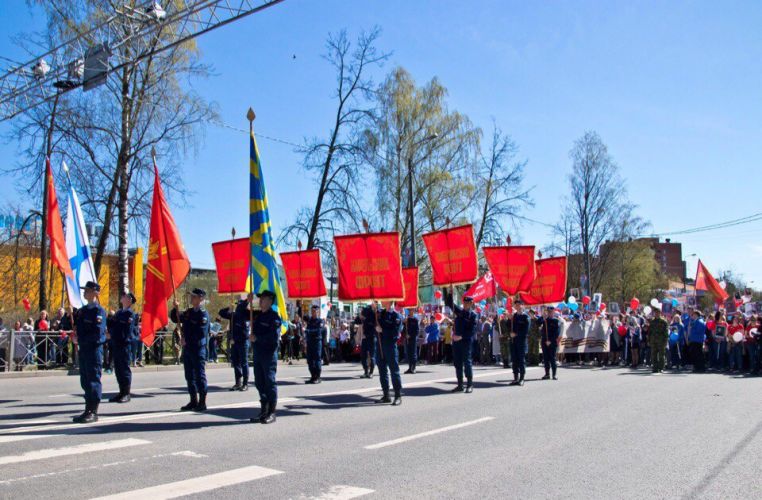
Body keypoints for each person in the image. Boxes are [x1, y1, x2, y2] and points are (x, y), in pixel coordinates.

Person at [72, 281, 107, 423]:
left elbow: (98, 334)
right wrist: (75, 336)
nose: (84, 292)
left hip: (93, 349)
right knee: (85, 380)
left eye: (87, 290)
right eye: (84, 290)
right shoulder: (82, 311)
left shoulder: (99, 311)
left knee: (93, 380)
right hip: (84, 349)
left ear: (95, 292)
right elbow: (79, 328)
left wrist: (81, 338)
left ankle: (93, 411)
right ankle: (87, 409)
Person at [171, 288, 210, 412]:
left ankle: (202, 402)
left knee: (199, 376)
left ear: (201, 299)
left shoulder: (203, 314)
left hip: (198, 349)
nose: (191, 298)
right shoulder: (189, 312)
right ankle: (193, 400)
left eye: (194, 296)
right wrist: (175, 308)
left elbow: (201, 333)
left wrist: (186, 339)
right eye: (191, 296)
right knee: (189, 376)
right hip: (188, 349)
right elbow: (175, 318)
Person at [249, 290, 282, 424]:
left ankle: (272, 412)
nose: (260, 301)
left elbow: (273, 338)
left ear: (270, 301)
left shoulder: (274, 318)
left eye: (263, 298)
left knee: (269, 382)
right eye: (260, 298)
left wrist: (257, 338)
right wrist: (247, 301)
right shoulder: (257, 316)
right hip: (258, 354)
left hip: (268, 354)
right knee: (259, 382)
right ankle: (264, 410)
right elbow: (239, 314)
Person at [107, 292, 137, 403]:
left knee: (124, 370)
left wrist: (113, 334)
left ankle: (126, 393)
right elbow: (113, 325)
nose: (122, 297)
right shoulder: (119, 313)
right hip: (116, 344)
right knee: (118, 370)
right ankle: (121, 392)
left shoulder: (130, 315)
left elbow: (126, 332)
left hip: (124, 345)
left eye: (124, 296)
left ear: (129, 300)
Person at [446, 293, 478, 393]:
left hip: (466, 342)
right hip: (456, 342)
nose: (465, 304)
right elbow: (449, 303)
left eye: (467, 303)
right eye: (464, 303)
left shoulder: (473, 315)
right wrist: (447, 290)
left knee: (467, 363)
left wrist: (461, 336)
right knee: (457, 363)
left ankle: (469, 384)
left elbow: (472, 331)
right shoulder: (459, 312)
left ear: (471, 304)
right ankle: (460, 385)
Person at [219, 296, 252, 391]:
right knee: (236, 362)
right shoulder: (233, 315)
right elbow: (221, 312)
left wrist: (247, 301)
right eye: (237, 305)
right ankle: (238, 382)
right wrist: (229, 307)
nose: (238, 306)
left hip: (243, 341)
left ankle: (245, 383)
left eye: (239, 305)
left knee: (244, 363)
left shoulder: (247, 314)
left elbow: (246, 309)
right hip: (234, 341)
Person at [374, 301, 403, 405]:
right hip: (380, 346)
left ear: (390, 302)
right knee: (382, 371)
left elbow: (396, 332)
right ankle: (386, 395)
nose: (382, 301)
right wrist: (373, 310)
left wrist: (382, 330)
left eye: (384, 299)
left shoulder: (396, 315)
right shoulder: (380, 313)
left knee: (394, 371)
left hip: (390, 346)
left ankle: (397, 395)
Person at [304, 305, 325, 384]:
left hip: (317, 342)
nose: (313, 313)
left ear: (318, 312)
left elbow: (319, 331)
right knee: (310, 360)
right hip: (310, 342)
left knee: (317, 359)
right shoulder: (309, 321)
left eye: (315, 311)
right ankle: (313, 376)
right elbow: (304, 317)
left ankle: (318, 377)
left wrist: (308, 331)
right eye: (312, 311)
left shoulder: (320, 321)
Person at [510, 301, 530, 386]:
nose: (517, 307)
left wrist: (516, 334)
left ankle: (522, 378)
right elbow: (510, 327)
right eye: (516, 305)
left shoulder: (526, 317)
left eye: (519, 305)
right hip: (514, 341)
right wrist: (508, 319)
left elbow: (526, 331)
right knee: (514, 360)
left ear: (523, 306)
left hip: (521, 341)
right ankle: (515, 378)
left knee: (521, 360)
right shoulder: (514, 316)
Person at [540, 306, 561, 380]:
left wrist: (550, 341)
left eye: (551, 312)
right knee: (545, 359)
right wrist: (542, 316)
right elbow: (537, 323)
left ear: (553, 312)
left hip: (552, 342)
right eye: (548, 312)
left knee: (552, 358)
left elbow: (556, 333)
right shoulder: (544, 320)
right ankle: (547, 374)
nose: (549, 313)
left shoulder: (556, 321)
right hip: (544, 341)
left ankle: (554, 374)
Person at [359, 302, 379, 378]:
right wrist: (360, 315)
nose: (372, 303)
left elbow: (376, 322)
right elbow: (358, 320)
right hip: (365, 336)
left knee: (372, 356)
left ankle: (371, 372)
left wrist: (375, 311)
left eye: (375, 302)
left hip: (373, 337)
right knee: (363, 355)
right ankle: (366, 371)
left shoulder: (377, 312)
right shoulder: (366, 310)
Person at [649, 308, 669, 373]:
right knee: (653, 355)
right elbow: (650, 332)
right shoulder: (652, 321)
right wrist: (649, 340)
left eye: (658, 312)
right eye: (655, 312)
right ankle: (655, 368)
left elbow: (666, 332)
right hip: (653, 341)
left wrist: (666, 341)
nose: (656, 314)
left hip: (661, 341)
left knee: (661, 355)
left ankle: (661, 368)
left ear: (660, 313)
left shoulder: (663, 321)